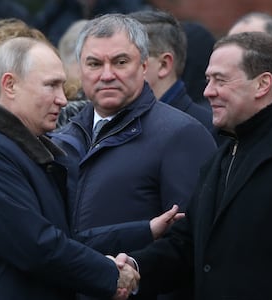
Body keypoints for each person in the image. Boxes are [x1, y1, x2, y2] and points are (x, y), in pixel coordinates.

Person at [51, 13, 217, 300]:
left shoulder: (182, 135)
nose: (106, 74)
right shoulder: (60, 138)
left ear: (143, 66)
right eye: (94, 63)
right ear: (79, 69)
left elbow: (189, 244)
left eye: (120, 62)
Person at [116, 31, 272, 299]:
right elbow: (187, 244)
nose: (208, 91)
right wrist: (133, 268)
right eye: (207, 79)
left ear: (262, 84)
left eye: (221, 80)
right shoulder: (223, 155)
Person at [0, 36, 140, 300]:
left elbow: (62, 237)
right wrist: (111, 275)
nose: (63, 100)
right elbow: (35, 245)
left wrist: (146, 230)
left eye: (62, 86)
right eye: (51, 86)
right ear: (10, 85)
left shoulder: (25, 150)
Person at [129, 10, 219, 144]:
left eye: (123, 61)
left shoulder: (206, 130)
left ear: (163, 65)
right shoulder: (112, 122)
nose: (108, 74)